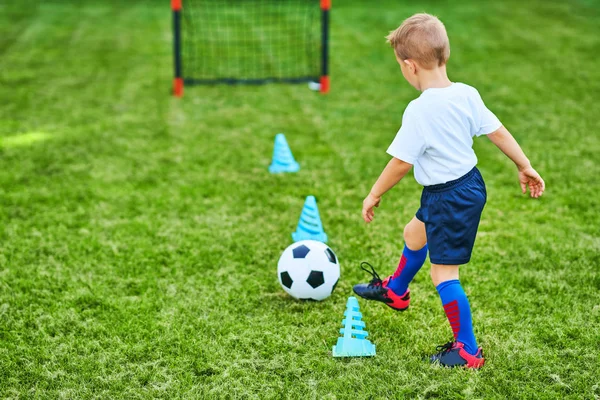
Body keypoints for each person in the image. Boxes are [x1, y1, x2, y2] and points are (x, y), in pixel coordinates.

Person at [353, 13, 545, 368]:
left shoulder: (419, 110)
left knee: (443, 273)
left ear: (410, 67)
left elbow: (401, 163)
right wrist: (524, 163)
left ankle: (467, 350)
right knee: (414, 232)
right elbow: (497, 131)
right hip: (467, 184)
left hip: (448, 196)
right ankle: (396, 291)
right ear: (446, 55)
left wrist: (374, 193)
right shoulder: (466, 94)